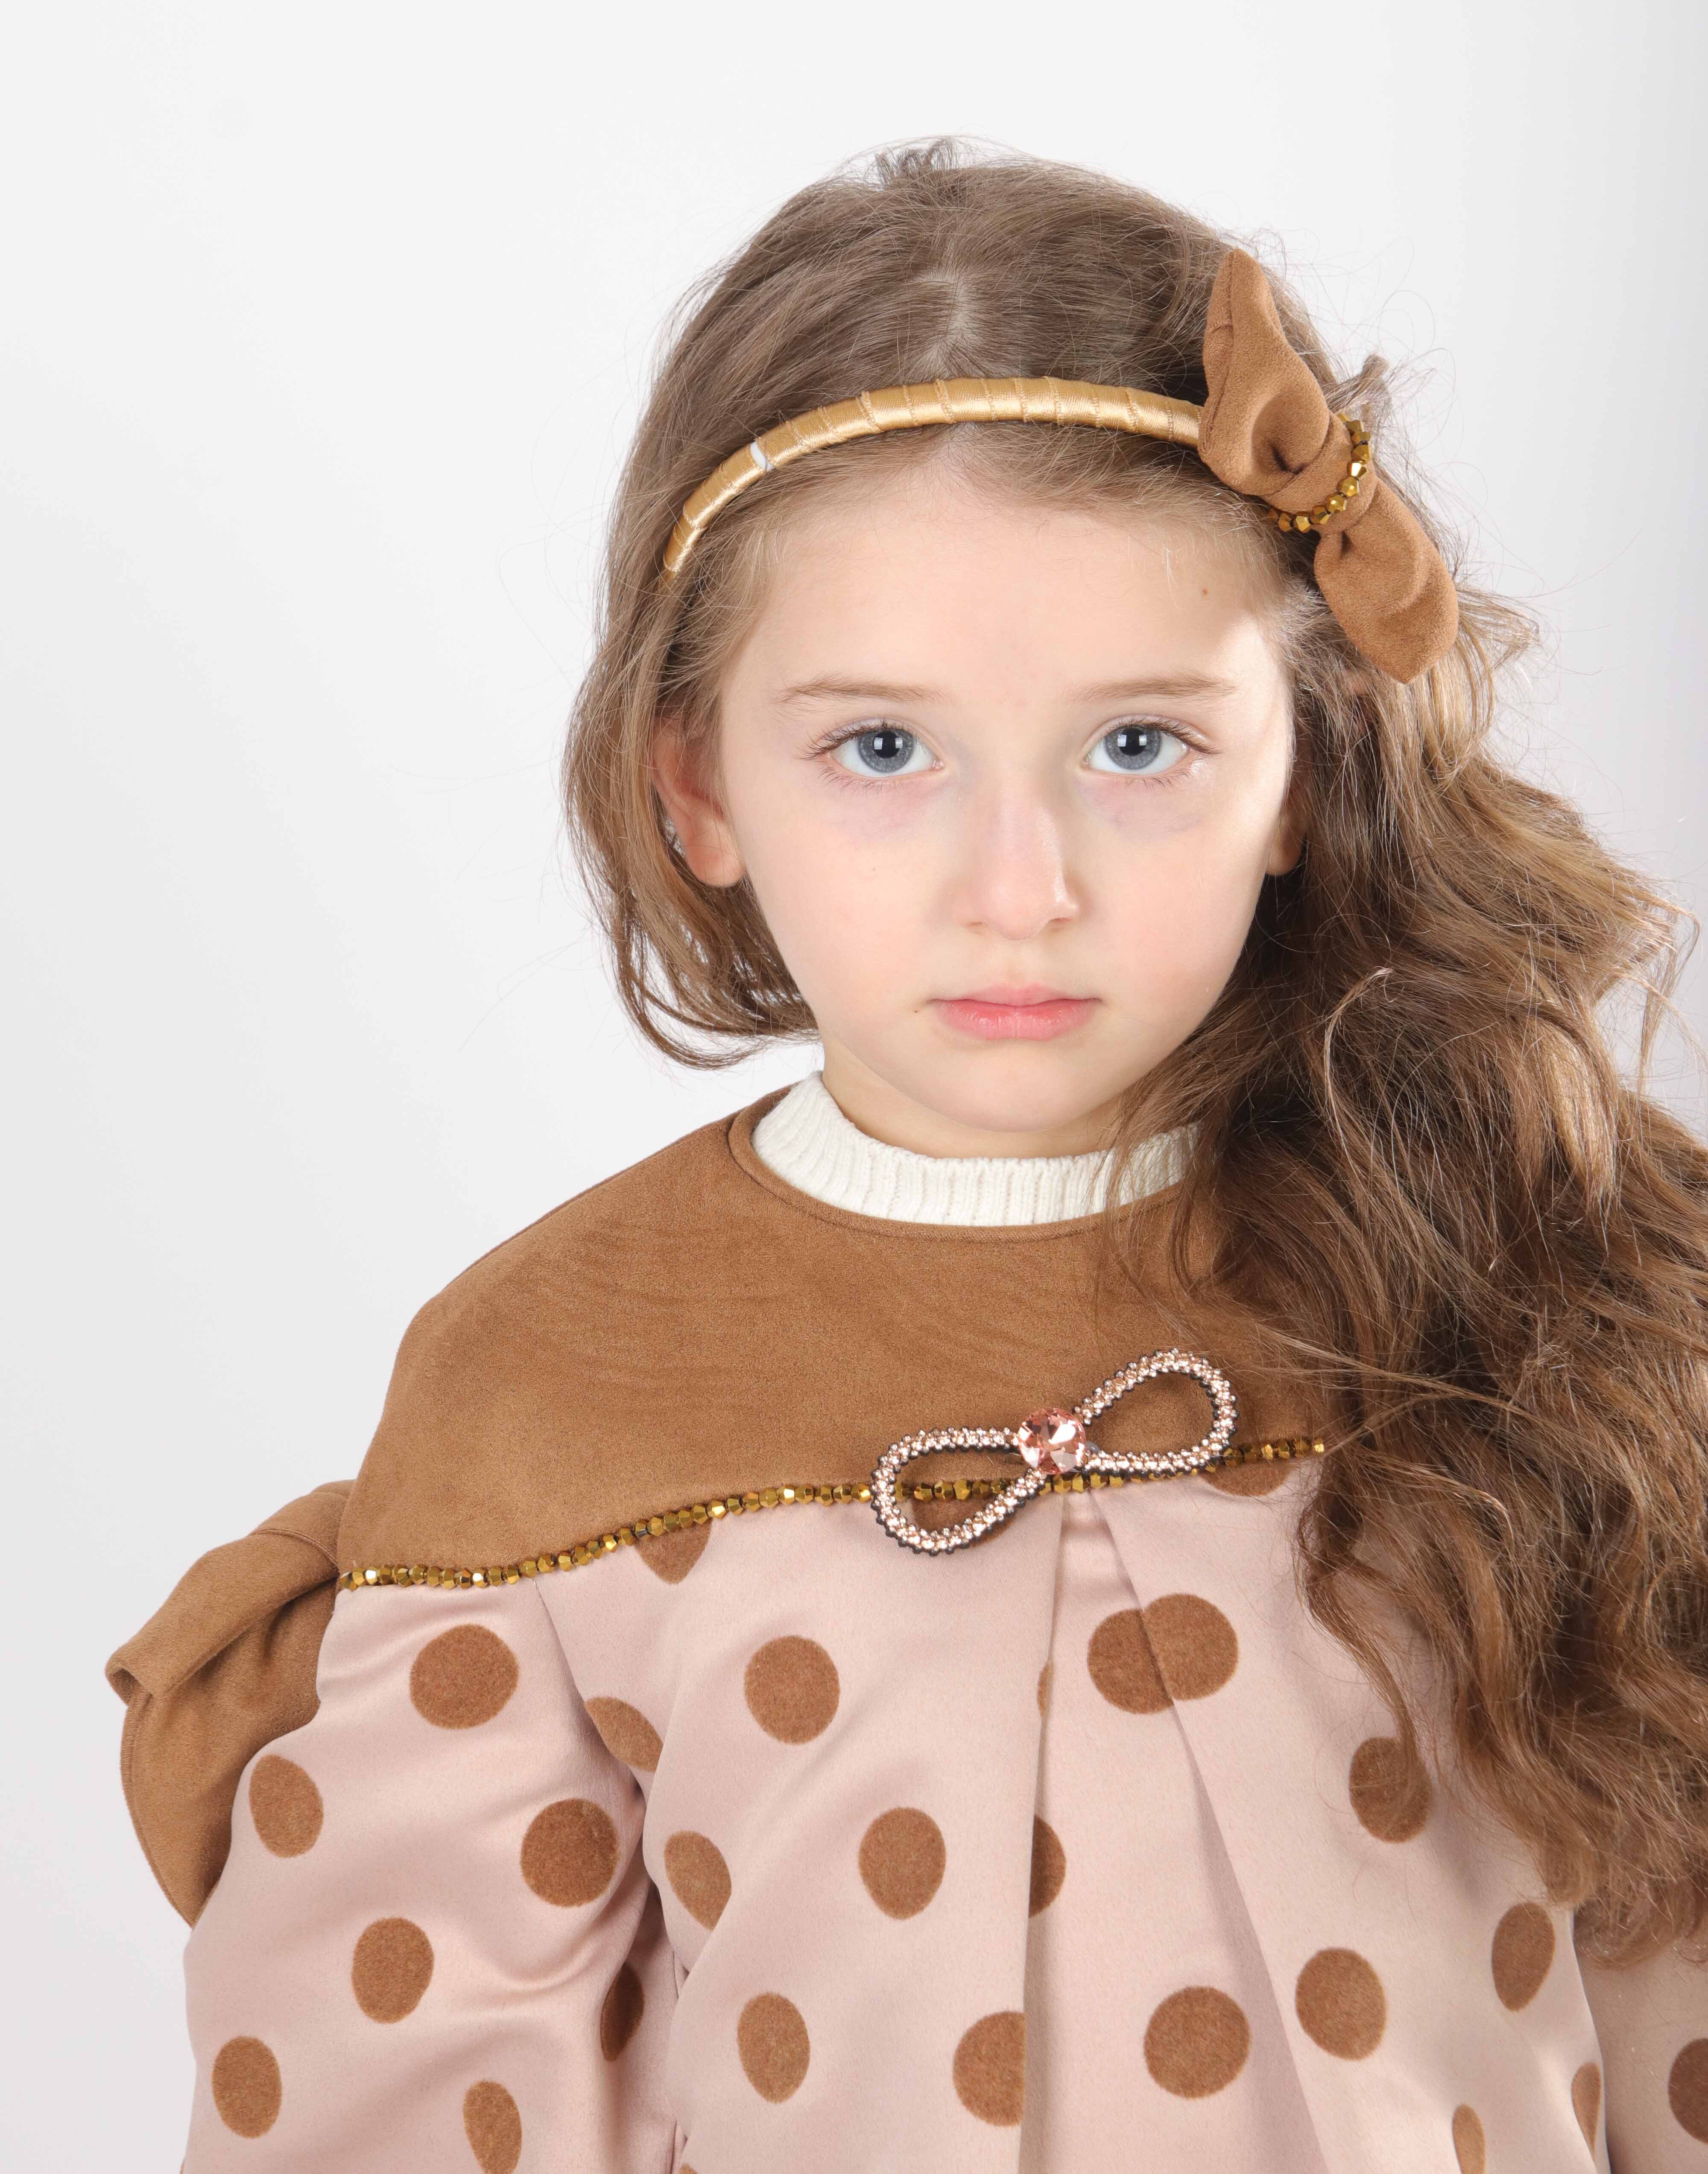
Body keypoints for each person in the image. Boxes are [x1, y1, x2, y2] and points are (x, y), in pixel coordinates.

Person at [108, 140, 1708, 2172]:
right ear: (695, 783)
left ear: (1304, 769)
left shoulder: (1539, 1269)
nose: (1016, 889)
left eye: (1137, 745)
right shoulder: (544, 1392)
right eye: (882, 749)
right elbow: (402, 2107)